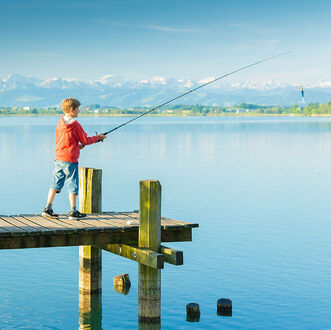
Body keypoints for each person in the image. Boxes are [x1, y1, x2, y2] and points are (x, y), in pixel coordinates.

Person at [42, 98, 106, 220]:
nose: (79, 111)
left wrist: (76, 146)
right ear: (72, 110)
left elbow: (63, 140)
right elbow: (86, 140)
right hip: (70, 160)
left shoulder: (60, 123)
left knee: (55, 184)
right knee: (73, 184)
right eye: (77, 109)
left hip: (59, 158)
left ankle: (48, 208)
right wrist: (99, 137)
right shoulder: (76, 125)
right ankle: (73, 211)